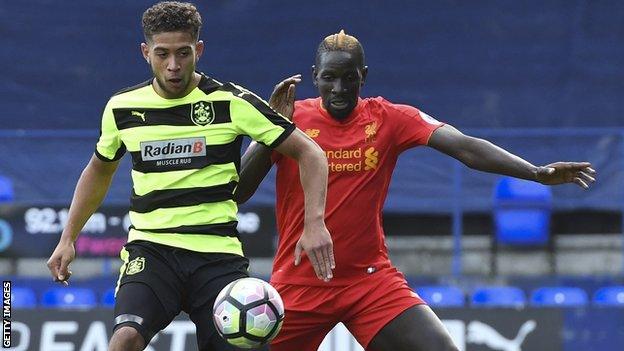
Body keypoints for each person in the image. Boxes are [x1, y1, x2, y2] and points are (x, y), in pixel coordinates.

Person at [234, 30, 596, 351]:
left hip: (368, 282)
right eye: (329, 78)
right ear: (315, 77)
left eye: (350, 78)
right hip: (299, 284)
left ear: (364, 78)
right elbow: (241, 190)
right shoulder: (289, 118)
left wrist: (534, 172)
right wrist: (271, 131)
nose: (339, 89)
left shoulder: (389, 118)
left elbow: (465, 147)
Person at [45, 2, 334, 351]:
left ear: (198, 50)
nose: (173, 65)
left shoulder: (230, 101)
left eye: (183, 53)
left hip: (216, 255)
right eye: (162, 54)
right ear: (145, 52)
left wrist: (314, 222)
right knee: (124, 339)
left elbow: (311, 153)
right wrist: (68, 237)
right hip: (152, 252)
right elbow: (99, 169)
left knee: (241, 345)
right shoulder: (122, 108)